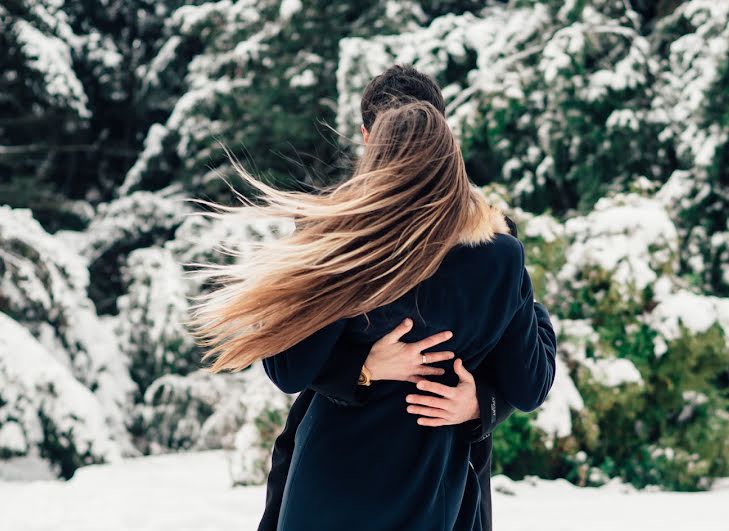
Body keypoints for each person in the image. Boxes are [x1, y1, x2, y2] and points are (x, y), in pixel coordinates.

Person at [188, 99, 557, 530]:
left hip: (328, 484)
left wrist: (477, 402)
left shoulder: (344, 243)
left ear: (376, 157)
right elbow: (531, 385)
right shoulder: (498, 257)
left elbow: (287, 369)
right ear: (451, 161)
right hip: (428, 493)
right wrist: (530, 303)